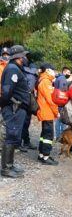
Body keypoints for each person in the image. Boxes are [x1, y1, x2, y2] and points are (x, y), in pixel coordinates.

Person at [0, 45, 30, 178]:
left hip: (16, 108)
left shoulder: (15, 68)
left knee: (14, 136)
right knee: (11, 136)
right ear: (19, 57)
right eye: (24, 55)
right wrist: (15, 102)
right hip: (14, 108)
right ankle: (6, 168)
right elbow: (7, 91)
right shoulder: (12, 69)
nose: (25, 57)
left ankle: (10, 165)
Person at [37, 63, 59, 166]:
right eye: (53, 70)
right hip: (47, 112)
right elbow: (51, 100)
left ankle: (41, 155)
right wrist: (56, 112)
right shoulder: (46, 82)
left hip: (44, 112)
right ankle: (45, 156)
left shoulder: (43, 80)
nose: (54, 73)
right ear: (48, 70)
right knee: (48, 135)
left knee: (44, 134)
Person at [20, 62, 38, 151]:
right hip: (27, 102)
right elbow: (30, 89)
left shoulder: (24, 73)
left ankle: (24, 142)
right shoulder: (32, 76)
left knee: (23, 123)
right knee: (25, 123)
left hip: (22, 101)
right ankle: (23, 143)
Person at [54, 67, 71, 140]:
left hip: (57, 101)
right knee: (62, 120)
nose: (69, 74)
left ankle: (58, 136)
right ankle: (60, 136)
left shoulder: (58, 78)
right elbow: (63, 91)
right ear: (64, 72)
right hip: (61, 102)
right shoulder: (62, 79)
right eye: (68, 72)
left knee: (58, 120)